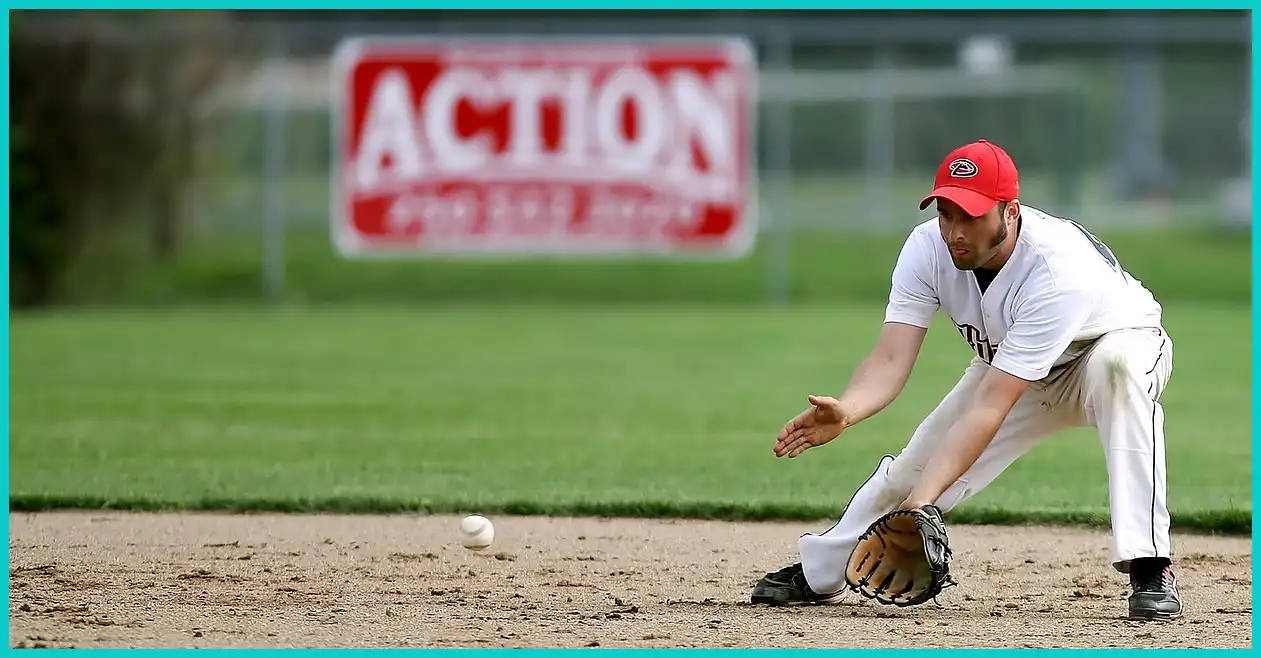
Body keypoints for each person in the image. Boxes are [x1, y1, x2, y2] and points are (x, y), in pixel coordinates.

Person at [749, 139, 1182, 622]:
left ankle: (1150, 564)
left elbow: (990, 407)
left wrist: (922, 507)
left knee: (1118, 371)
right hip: (1010, 367)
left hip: (1107, 346)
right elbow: (892, 357)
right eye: (946, 213)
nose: (955, 230)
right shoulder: (926, 249)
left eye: (971, 215)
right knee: (913, 471)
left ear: (1010, 211)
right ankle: (823, 570)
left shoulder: (1058, 271)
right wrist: (849, 408)